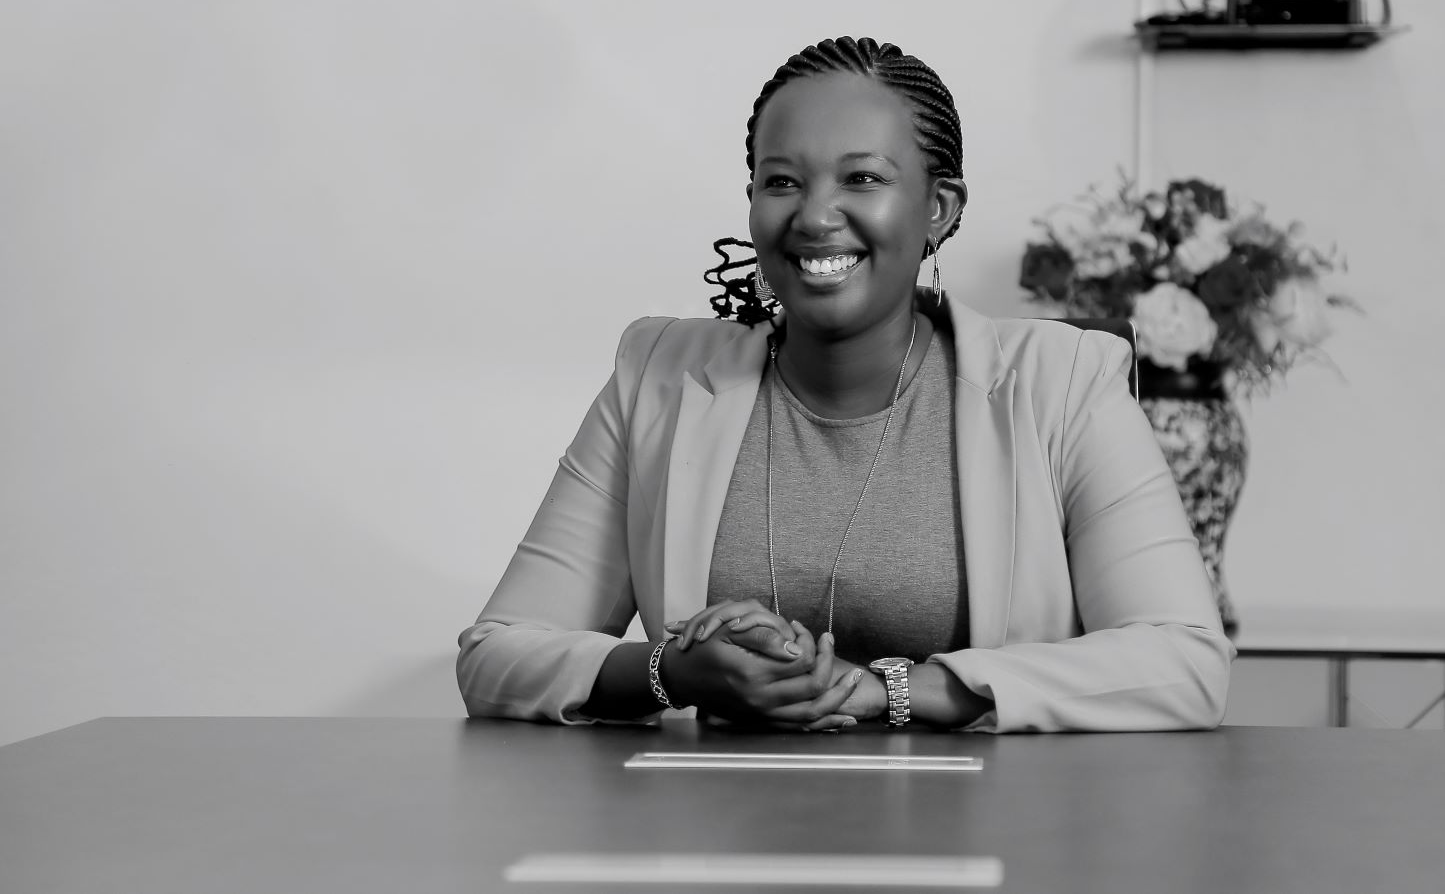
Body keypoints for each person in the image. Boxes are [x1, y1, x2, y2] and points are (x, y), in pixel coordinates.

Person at [455, 36, 1231, 733]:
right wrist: (669, 672)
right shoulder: (659, 374)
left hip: (989, 825)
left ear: (939, 209)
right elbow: (498, 653)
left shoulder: (1064, 384)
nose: (816, 216)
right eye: (782, 181)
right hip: (716, 821)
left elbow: (1184, 662)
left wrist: (878, 691)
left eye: (862, 177)